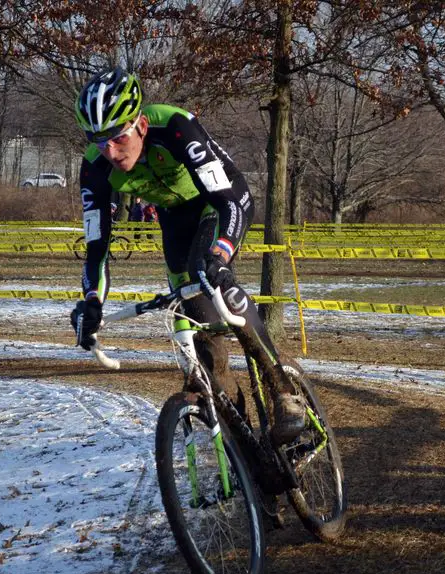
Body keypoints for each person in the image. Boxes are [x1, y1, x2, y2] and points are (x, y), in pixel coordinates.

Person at [70, 67, 305, 448]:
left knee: (210, 275)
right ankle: (242, 443)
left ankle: (282, 390)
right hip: (175, 221)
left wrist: (221, 255)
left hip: (219, 203)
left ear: (141, 125)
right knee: (200, 331)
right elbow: (97, 246)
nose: (109, 152)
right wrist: (91, 301)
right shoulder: (94, 169)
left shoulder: (176, 128)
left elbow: (228, 200)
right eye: (97, 141)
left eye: (117, 137)